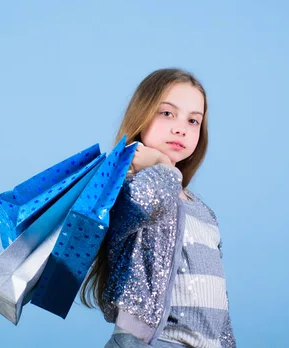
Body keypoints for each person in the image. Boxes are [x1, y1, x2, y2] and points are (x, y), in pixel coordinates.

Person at [80, 68, 236, 348]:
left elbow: (218, 303)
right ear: (142, 115)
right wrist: (162, 166)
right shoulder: (127, 190)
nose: (180, 128)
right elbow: (154, 199)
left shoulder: (204, 212)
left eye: (193, 120)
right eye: (167, 113)